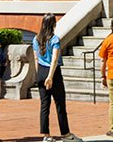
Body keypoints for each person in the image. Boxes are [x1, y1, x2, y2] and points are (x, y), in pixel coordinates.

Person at [32, 13, 79, 141]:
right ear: (53, 24)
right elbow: (54, 59)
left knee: (44, 105)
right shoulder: (55, 39)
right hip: (53, 73)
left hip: (41, 71)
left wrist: (39, 75)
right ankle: (66, 133)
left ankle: (46, 135)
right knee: (60, 104)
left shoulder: (36, 39)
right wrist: (50, 76)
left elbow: (36, 58)